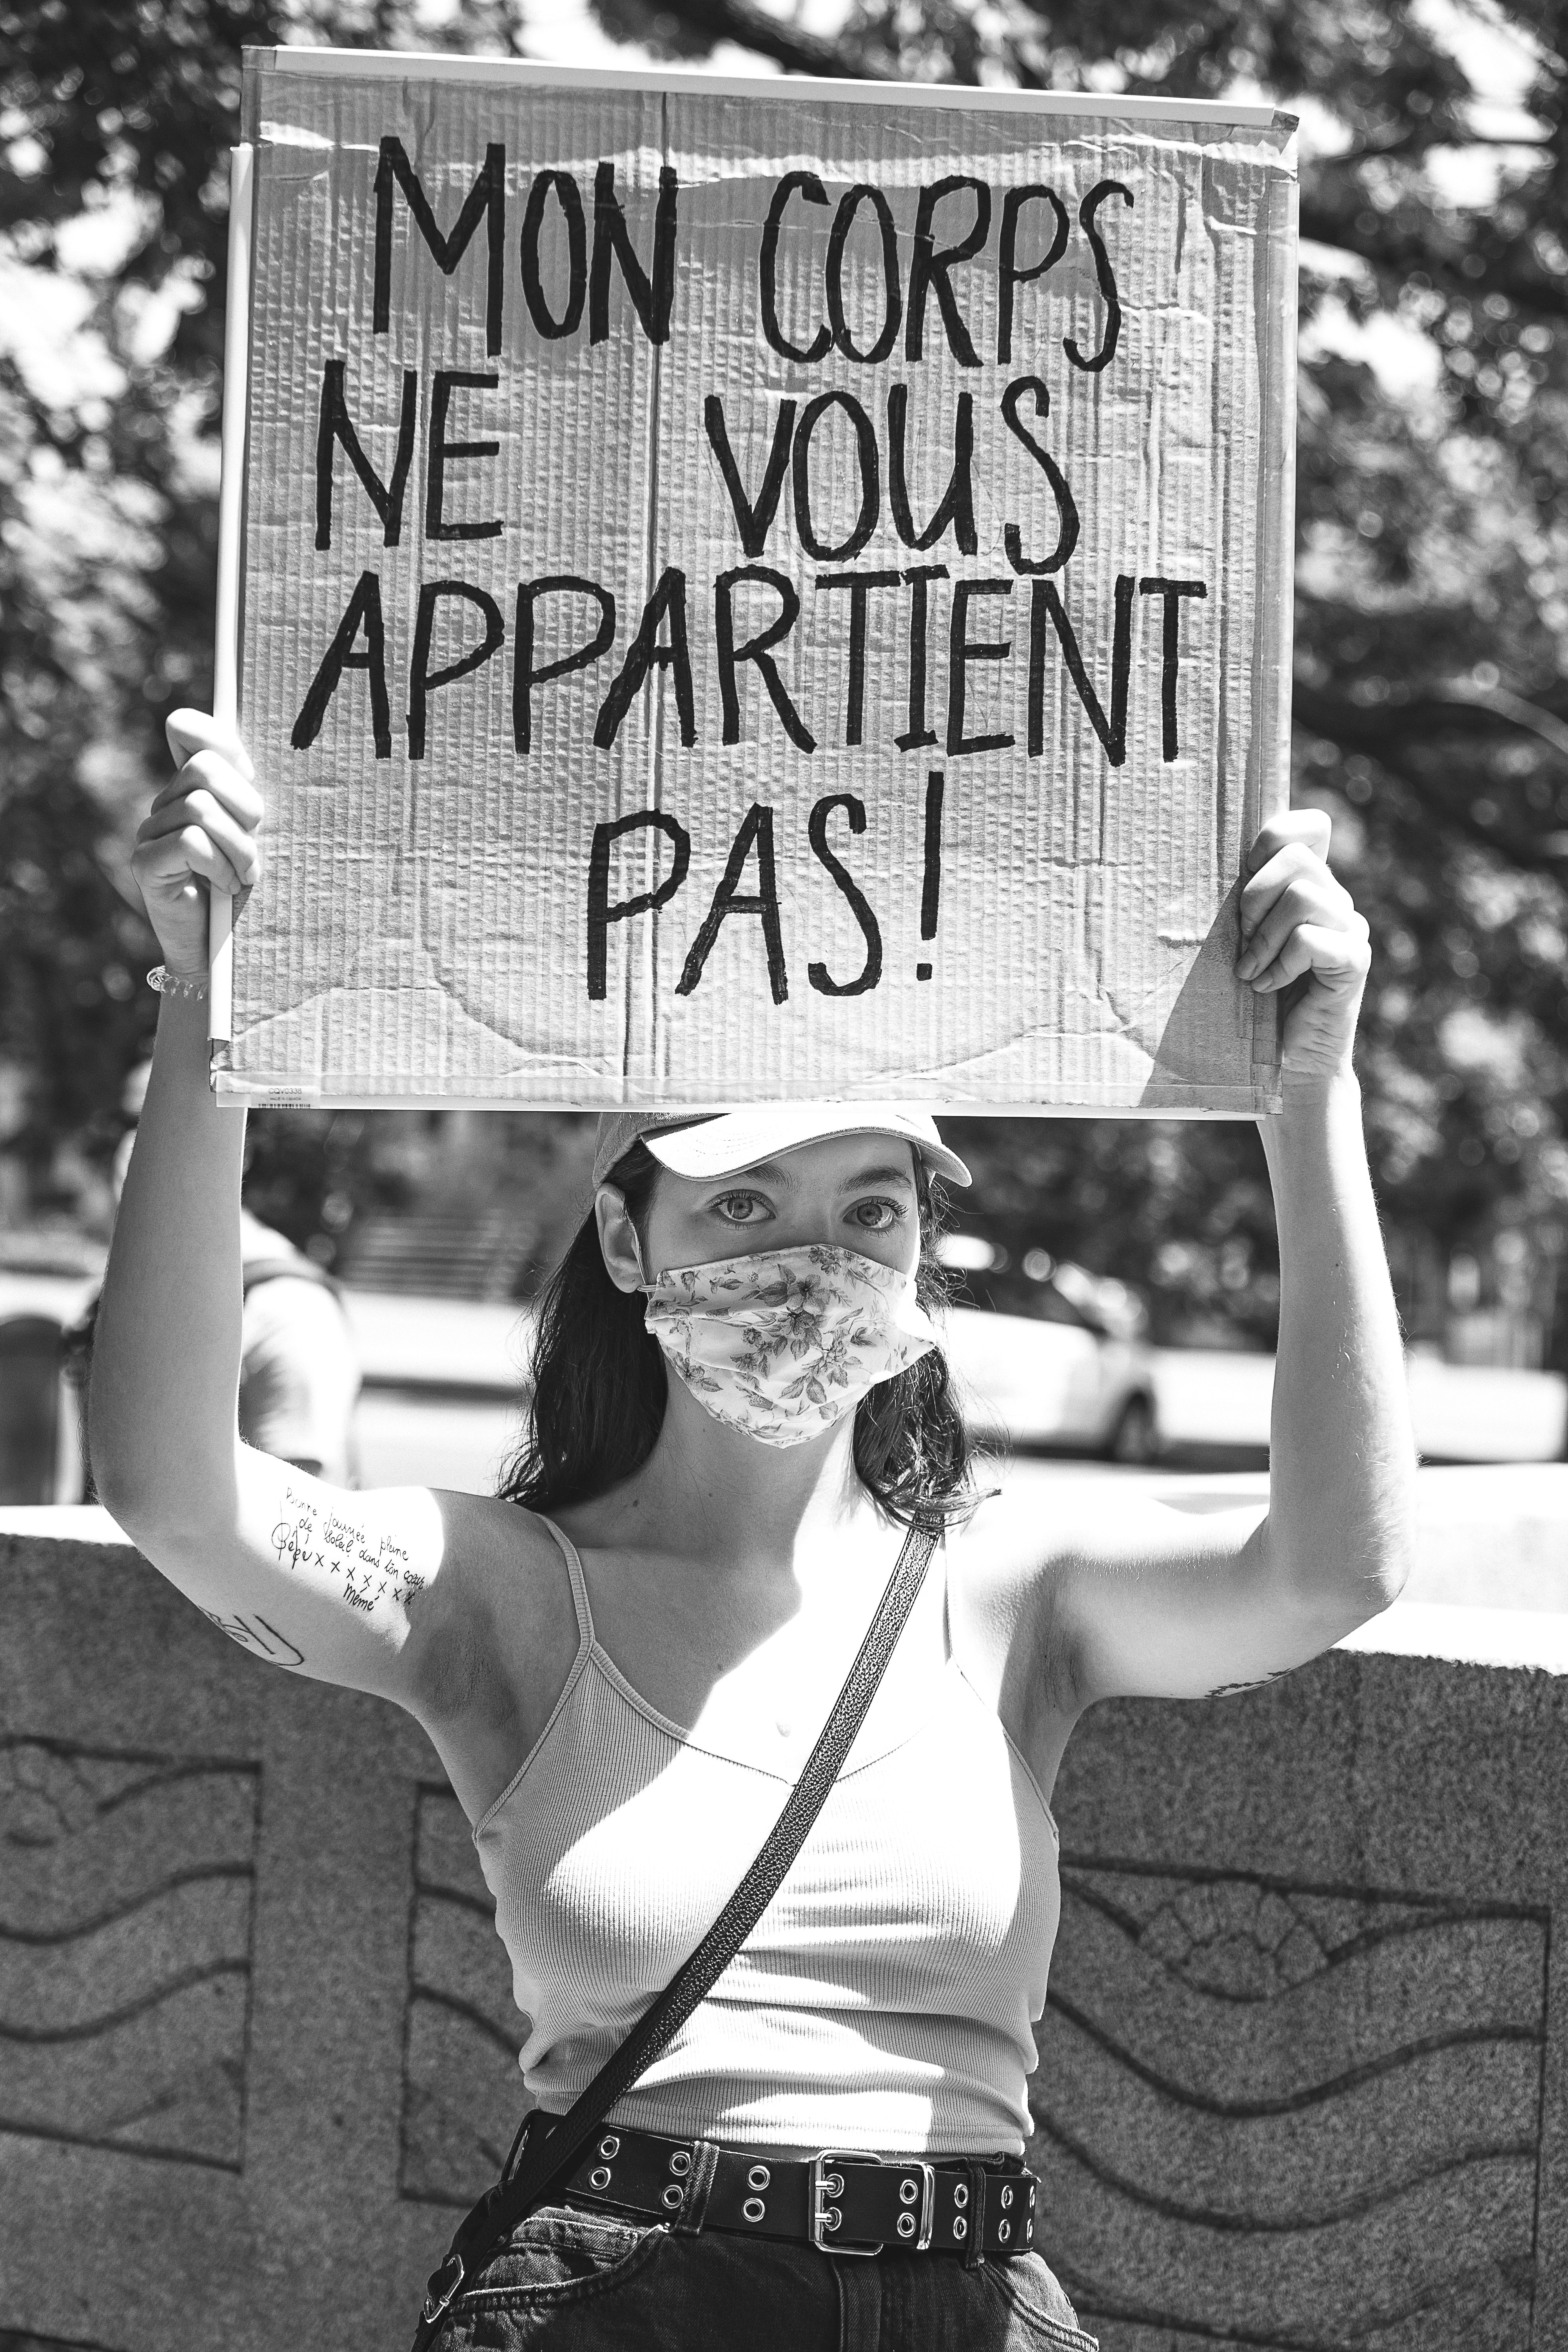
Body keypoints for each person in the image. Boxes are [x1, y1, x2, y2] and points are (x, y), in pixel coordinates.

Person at [90, 709, 1414, 2352]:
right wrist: (209, 1018)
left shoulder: (1016, 1597)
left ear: (927, 1250)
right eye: (741, 1205)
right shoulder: (507, 1596)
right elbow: (174, 1495)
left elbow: (1335, 1564)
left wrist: (1311, 1094)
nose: (813, 1259)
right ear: (628, 1249)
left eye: (870, 1209)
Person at [64, 1059, 360, 1491]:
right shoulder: (117, 1292)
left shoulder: (290, 1310)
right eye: (127, 1125)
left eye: (172, 1122)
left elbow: (299, 1519)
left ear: (240, 1151)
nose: (135, 1146)